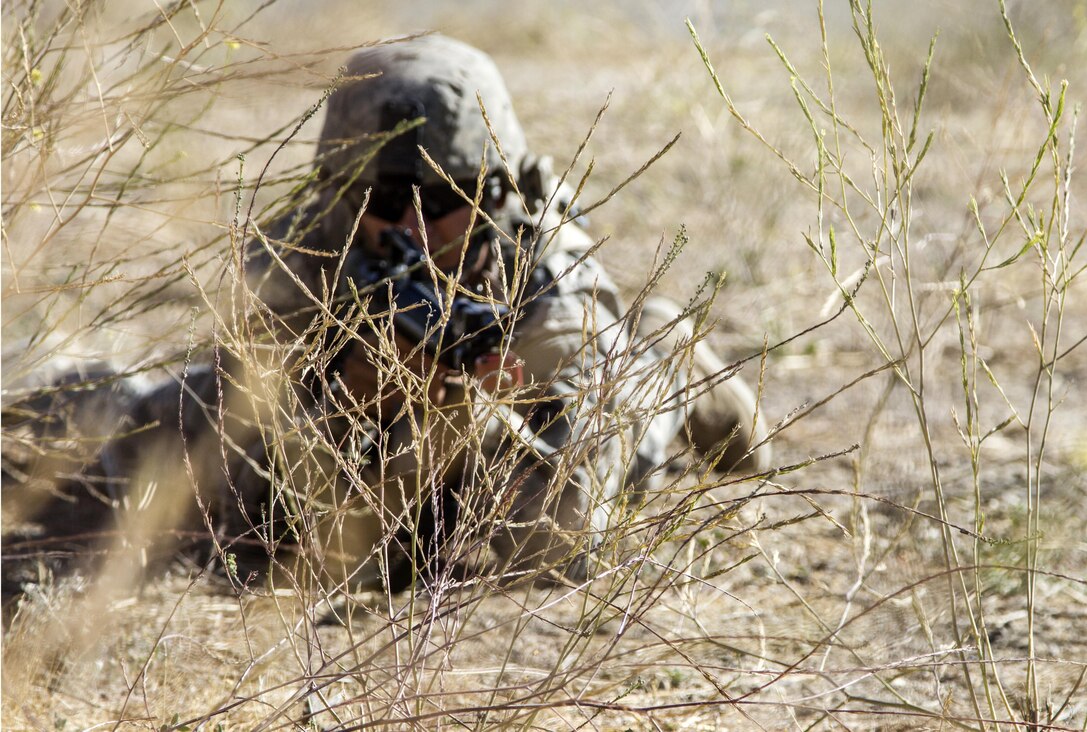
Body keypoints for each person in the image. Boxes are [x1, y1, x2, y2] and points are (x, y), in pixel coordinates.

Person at [2, 34, 770, 597]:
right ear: (341, 190)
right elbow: (237, 474)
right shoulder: (304, 255)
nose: (411, 226)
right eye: (384, 198)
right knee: (126, 433)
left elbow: (559, 547)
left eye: (441, 201)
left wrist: (475, 414)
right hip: (357, 458)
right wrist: (338, 397)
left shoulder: (549, 294)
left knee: (597, 467)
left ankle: (670, 356)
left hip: (525, 427)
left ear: (495, 194)